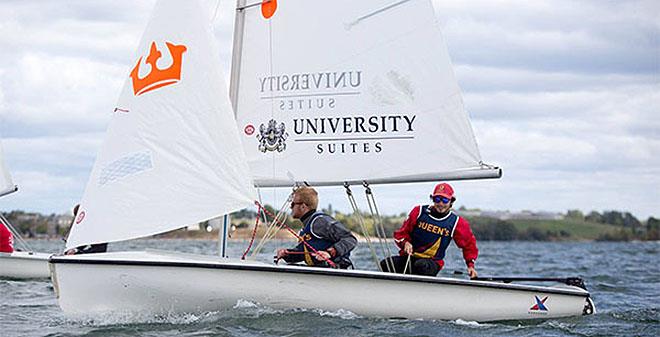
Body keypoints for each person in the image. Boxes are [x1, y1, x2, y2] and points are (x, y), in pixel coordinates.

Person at [380, 183, 478, 278]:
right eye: (437, 199)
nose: (440, 204)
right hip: (410, 257)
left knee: (421, 265)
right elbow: (400, 234)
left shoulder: (457, 222)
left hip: (432, 262)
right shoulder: (418, 212)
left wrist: (470, 266)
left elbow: (469, 245)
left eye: (444, 200)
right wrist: (405, 243)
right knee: (386, 264)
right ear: (432, 199)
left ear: (451, 201)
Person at [275, 186, 357, 269]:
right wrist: (287, 254)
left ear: (303, 206)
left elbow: (350, 239)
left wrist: (329, 253)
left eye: (293, 204)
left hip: (337, 272)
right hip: (319, 273)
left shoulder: (319, 222)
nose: (290, 207)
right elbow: (303, 254)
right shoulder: (306, 229)